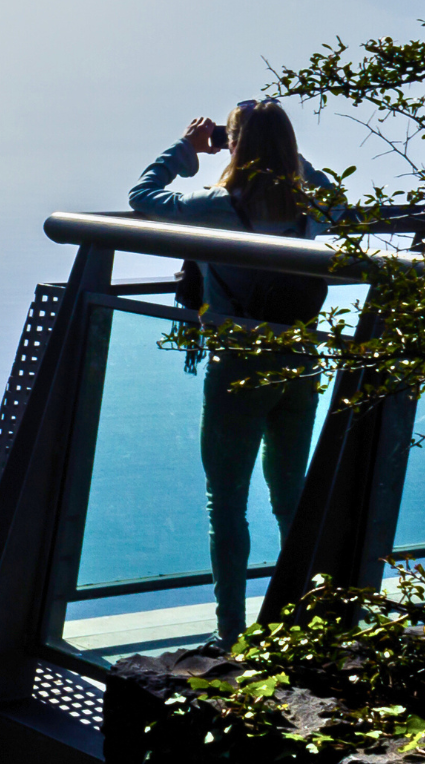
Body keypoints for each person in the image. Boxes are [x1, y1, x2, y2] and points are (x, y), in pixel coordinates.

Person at [129, 99, 337, 650]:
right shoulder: (309, 206)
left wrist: (186, 148)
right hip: (300, 362)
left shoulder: (218, 207)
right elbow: (346, 207)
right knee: (292, 496)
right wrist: (293, 159)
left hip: (238, 370)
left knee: (227, 503)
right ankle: (306, 625)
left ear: (234, 145)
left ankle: (231, 635)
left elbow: (143, 198)